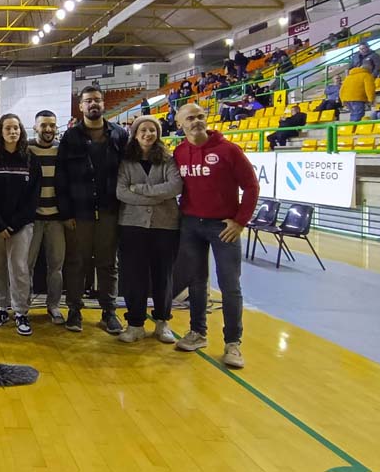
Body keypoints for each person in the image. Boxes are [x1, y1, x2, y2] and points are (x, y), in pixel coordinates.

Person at [173, 104, 259, 369]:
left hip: (222, 227)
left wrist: (240, 221)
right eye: (190, 118)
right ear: (179, 124)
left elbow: (251, 186)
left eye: (200, 116)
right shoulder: (179, 152)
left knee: (230, 285)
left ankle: (233, 343)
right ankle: (197, 332)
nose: (196, 121)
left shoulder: (229, 150)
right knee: (196, 282)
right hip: (191, 225)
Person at [55, 85, 129, 334]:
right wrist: (66, 213)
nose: (93, 104)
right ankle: (74, 311)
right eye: (88, 101)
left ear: (103, 104)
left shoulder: (119, 134)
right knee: (76, 263)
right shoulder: (70, 137)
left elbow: (127, 172)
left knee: (108, 264)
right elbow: (61, 177)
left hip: (110, 211)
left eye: (97, 100)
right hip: (79, 214)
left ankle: (109, 312)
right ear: (81, 106)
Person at [114, 116, 182, 344]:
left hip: (165, 225)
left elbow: (174, 186)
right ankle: (135, 324)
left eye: (152, 130)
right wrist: (157, 196)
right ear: (135, 134)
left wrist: (140, 190)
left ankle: (162, 322)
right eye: (143, 129)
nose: (148, 133)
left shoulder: (168, 160)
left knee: (163, 275)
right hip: (132, 225)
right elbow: (121, 192)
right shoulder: (126, 161)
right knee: (134, 276)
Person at [0, 114, 40, 335]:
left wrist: (13, 225)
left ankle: (21, 311)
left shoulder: (31, 160)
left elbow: (32, 197)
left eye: (16, 128)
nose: (13, 132)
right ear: (0, 132)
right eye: (8, 128)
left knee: (19, 268)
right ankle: (1, 308)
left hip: (20, 225)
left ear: (21, 131)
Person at [27, 110, 65, 324]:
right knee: (26, 266)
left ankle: (54, 306)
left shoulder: (61, 150)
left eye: (52, 125)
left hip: (56, 218)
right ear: (35, 127)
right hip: (32, 219)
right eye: (43, 125)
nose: (48, 129)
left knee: (56, 267)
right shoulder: (27, 149)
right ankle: (23, 307)